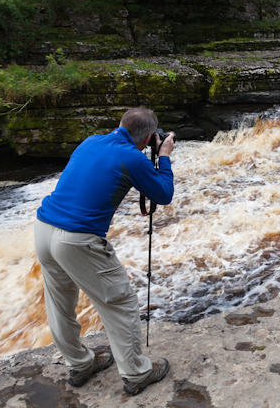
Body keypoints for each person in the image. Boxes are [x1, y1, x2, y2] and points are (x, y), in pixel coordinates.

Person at [34, 107, 176, 396]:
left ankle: (80, 364)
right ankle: (137, 374)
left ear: (122, 124)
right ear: (149, 138)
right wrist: (163, 156)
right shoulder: (132, 157)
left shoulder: (91, 140)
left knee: (59, 303)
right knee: (120, 302)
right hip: (77, 239)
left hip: (43, 227)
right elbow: (164, 194)